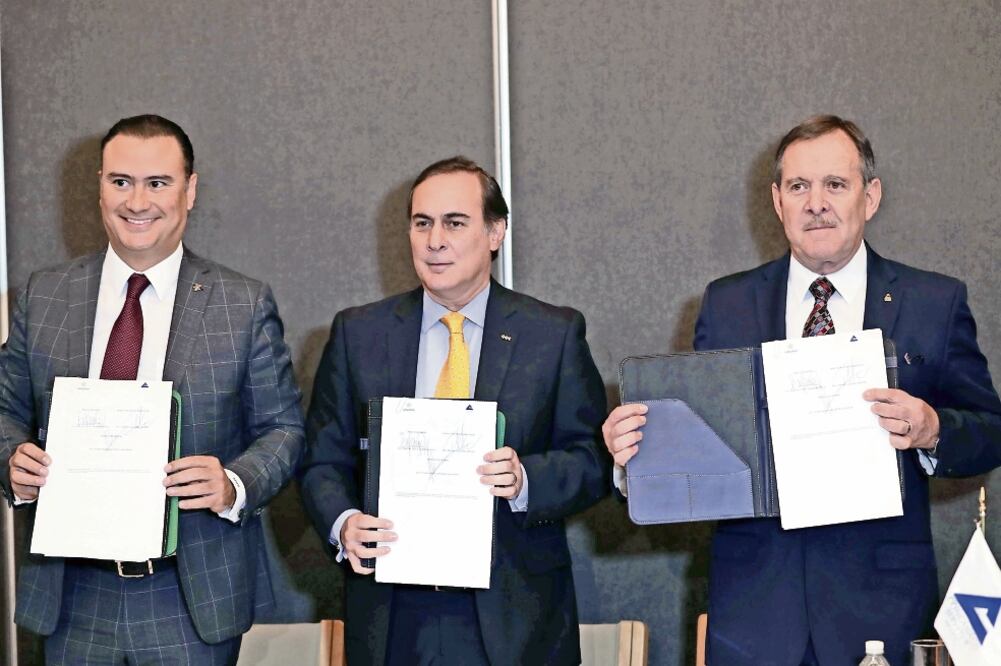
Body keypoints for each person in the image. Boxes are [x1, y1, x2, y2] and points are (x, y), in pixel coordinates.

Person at [603, 115, 1001, 665]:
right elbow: (702, 450)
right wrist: (634, 461)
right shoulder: (726, 304)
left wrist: (933, 429)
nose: (816, 203)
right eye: (799, 187)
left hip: (880, 606)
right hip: (755, 612)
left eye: (835, 185)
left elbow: (989, 431)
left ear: (871, 196)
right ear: (777, 201)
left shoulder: (933, 301)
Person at [0, 114, 305, 665]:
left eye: (157, 183)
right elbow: (4, 409)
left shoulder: (243, 304)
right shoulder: (45, 295)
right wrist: (10, 460)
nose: (137, 201)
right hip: (72, 595)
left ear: (189, 191)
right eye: (121, 181)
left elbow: (283, 429)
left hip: (188, 597)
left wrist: (233, 482)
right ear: (99, 187)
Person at [300, 156, 609, 665]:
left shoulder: (552, 334)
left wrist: (525, 478)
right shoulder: (359, 334)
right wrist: (344, 522)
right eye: (422, 223)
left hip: (513, 617)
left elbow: (594, 460)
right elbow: (321, 461)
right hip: (393, 615)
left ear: (495, 231)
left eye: (454, 222)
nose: (434, 240)